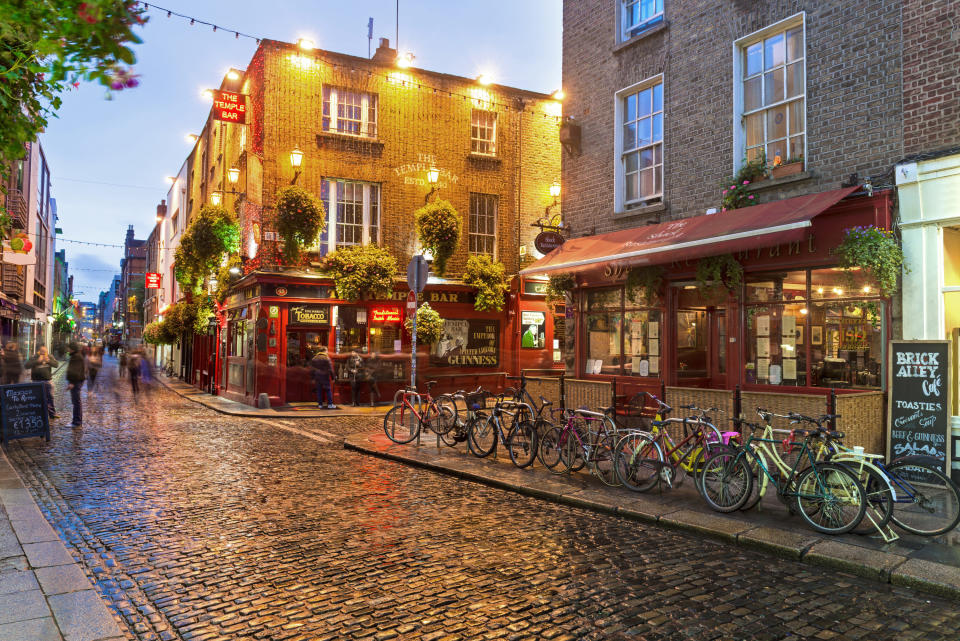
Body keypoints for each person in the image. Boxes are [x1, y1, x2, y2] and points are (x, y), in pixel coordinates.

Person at [24, 346, 59, 419]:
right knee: (37, 398)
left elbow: (56, 365)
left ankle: (52, 414)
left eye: (45, 351)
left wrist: (49, 361)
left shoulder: (49, 356)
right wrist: (37, 361)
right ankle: (38, 413)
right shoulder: (34, 357)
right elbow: (26, 366)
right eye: (42, 351)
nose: (44, 353)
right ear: (38, 351)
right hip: (36, 381)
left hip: (47, 380)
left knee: (50, 398)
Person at [65, 343, 86, 428]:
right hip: (77, 381)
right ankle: (76, 421)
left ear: (72, 349)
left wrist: (72, 382)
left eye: (68, 348)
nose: (67, 350)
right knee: (76, 402)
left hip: (76, 382)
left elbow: (76, 371)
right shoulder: (76, 356)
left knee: (76, 402)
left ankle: (77, 421)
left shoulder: (76, 357)